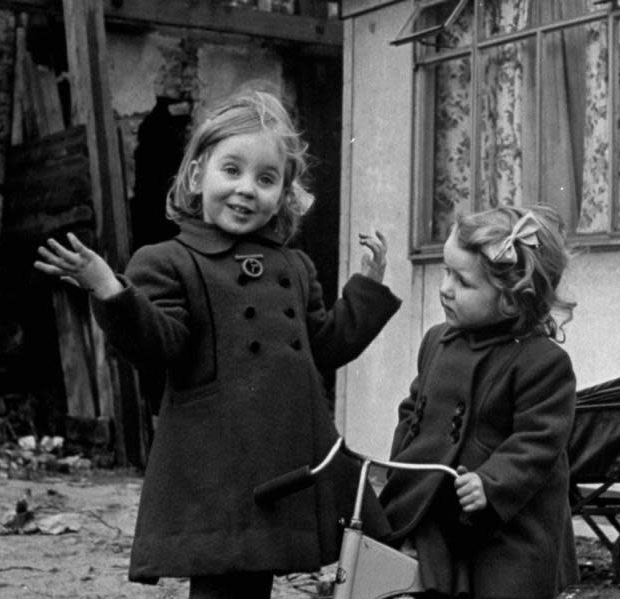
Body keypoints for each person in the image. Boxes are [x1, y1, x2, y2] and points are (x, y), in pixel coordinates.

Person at [34, 89, 401, 598]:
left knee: (267, 576)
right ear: (196, 175)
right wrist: (110, 289)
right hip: (218, 462)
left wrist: (369, 287)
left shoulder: (295, 266)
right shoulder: (167, 261)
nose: (247, 189)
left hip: (287, 457)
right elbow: (160, 343)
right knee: (224, 580)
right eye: (232, 170)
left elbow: (325, 344)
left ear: (285, 195)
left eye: (266, 179)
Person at [378, 205, 579, 599]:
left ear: (510, 301)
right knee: (409, 580)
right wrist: (400, 462)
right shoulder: (438, 340)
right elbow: (415, 408)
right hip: (435, 504)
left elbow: (539, 440)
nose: (445, 287)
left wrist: (493, 481)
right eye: (445, 271)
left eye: (463, 282)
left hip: (506, 520)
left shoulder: (540, 361)